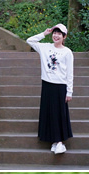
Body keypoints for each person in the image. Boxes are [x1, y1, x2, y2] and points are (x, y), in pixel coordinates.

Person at [26, 24, 73, 154]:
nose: (56, 35)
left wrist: (69, 91)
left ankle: (59, 142)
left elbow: (70, 73)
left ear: (64, 37)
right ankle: (52, 140)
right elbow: (29, 40)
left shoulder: (67, 52)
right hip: (47, 85)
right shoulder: (44, 47)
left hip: (60, 86)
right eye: (54, 33)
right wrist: (44, 33)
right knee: (48, 113)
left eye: (59, 34)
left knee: (59, 114)